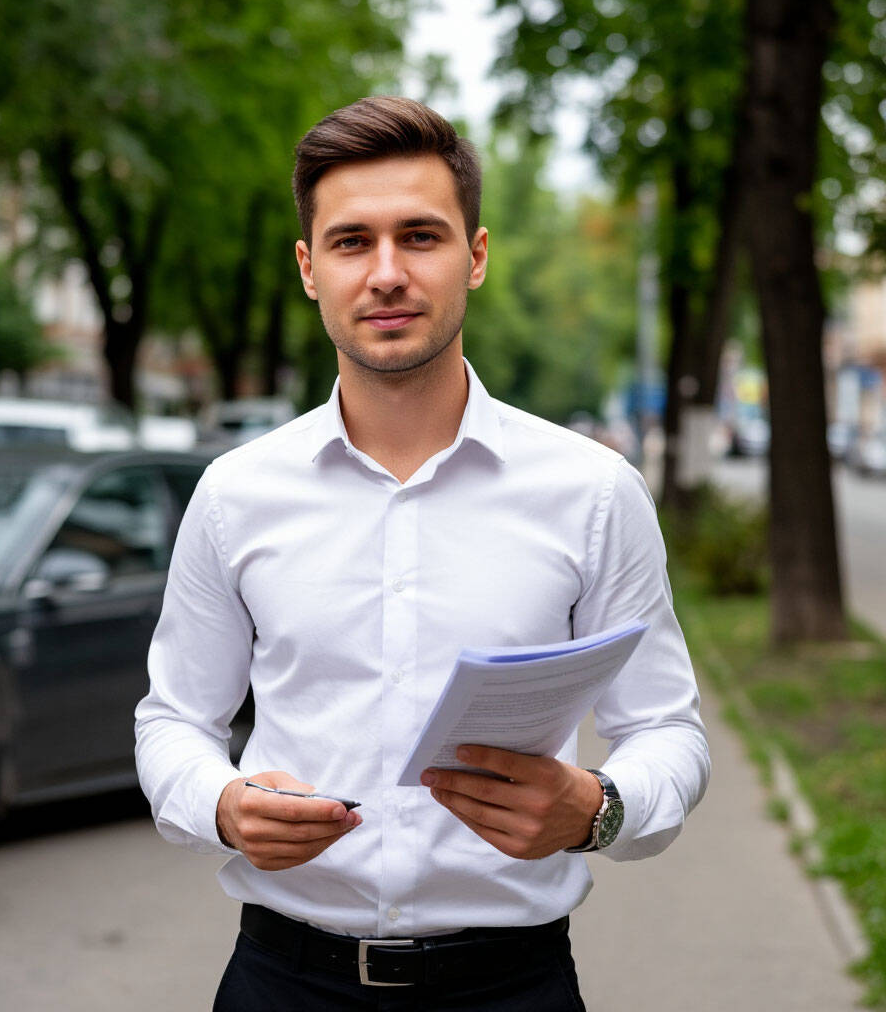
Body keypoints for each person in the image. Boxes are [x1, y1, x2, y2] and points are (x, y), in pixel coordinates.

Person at [134, 96, 710, 1011]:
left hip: (513, 987)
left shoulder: (592, 492)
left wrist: (594, 810)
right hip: (284, 982)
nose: (388, 272)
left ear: (475, 257)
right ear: (309, 269)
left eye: (422, 236)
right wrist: (219, 805)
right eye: (352, 241)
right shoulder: (236, 494)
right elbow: (174, 719)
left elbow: (669, 732)